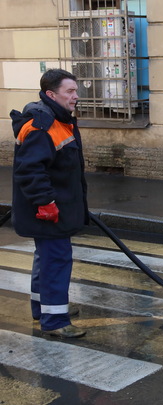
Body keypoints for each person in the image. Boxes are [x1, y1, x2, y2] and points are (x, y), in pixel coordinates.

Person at [11, 69, 89, 338]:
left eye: (75, 91)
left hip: (54, 207)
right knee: (56, 260)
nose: (75, 96)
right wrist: (46, 203)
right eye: (70, 91)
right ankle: (55, 321)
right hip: (49, 211)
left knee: (45, 259)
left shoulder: (57, 120)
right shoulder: (43, 126)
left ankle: (42, 307)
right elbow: (30, 170)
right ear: (51, 94)